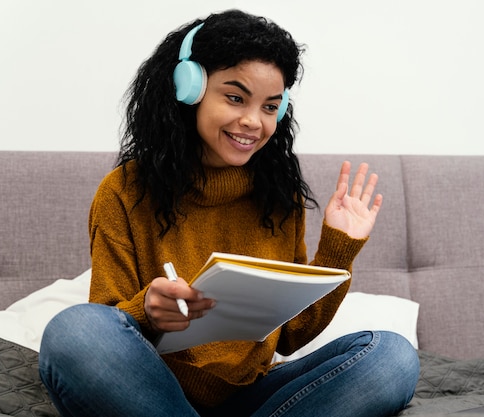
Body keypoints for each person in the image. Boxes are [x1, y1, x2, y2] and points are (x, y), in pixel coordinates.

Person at [38, 9, 419, 417]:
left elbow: (289, 337)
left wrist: (338, 250)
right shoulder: (124, 192)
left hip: (254, 395)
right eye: (235, 98)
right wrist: (147, 309)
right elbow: (107, 324)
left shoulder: (279, 195)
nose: (253, 121)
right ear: (190, 89)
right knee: (75, 331)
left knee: (393, 356)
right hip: (155, 392)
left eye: (270, 106)